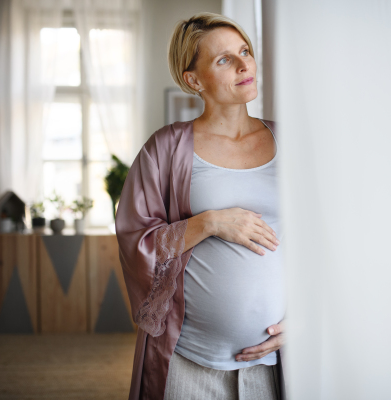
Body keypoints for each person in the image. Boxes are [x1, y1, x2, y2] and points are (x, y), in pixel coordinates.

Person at [115, 12, 286, 400]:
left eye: (245, 51)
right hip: (189, 362)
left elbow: (327, 241)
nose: (245, 65)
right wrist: (209, 223)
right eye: (224, 59)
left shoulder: (288, 141)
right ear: (193, 80)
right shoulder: (165, 148)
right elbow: (134, 239)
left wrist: (305, 322)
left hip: (274, 363)